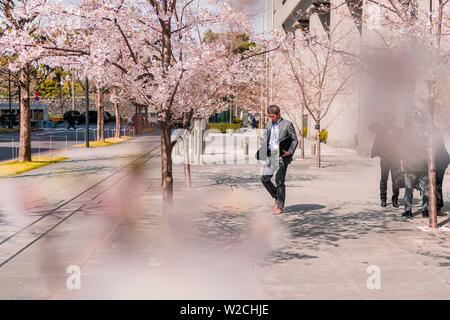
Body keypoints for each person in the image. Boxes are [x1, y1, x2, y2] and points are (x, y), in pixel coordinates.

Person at [258, 105, 298, 215]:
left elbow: (295, 140)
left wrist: (289, 152)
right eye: (269, 116)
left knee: (279, 181)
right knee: (264, 179)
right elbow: (268, 138)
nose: (271, 118)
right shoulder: (269, 123)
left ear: (278, 114)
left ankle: (280, 206)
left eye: (273, 116)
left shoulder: (287, 124)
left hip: (281, 155)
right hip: (271, 155)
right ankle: (277, 196)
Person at [369, 113, 403, 208]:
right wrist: (380, 122)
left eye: (390, 120)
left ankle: (395, 199)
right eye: (386, 120)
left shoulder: (398, 130)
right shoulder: (381, 130)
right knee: (384, 179)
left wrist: (402, 157)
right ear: (384, 121)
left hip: (395, 158)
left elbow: (402, 144)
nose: (389, 122)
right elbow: (370, 127)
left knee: (395, 180)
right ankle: (383, 199)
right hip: (385, 159)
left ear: (393, 121)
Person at [402, 124, 429, 218]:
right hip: (423, 167)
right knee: (426, 189)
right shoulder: (426, 139)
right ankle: (425, 210)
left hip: (411, 168)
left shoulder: (407, 139)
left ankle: (408, 211)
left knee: (408, 190)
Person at [434, 127, 450, 214]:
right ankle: (437, 206)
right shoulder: (437, 137)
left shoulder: (435, 139)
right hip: (440, 163)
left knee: (437, 185)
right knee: (437, 185)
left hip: (440, 163)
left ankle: (437, 207)